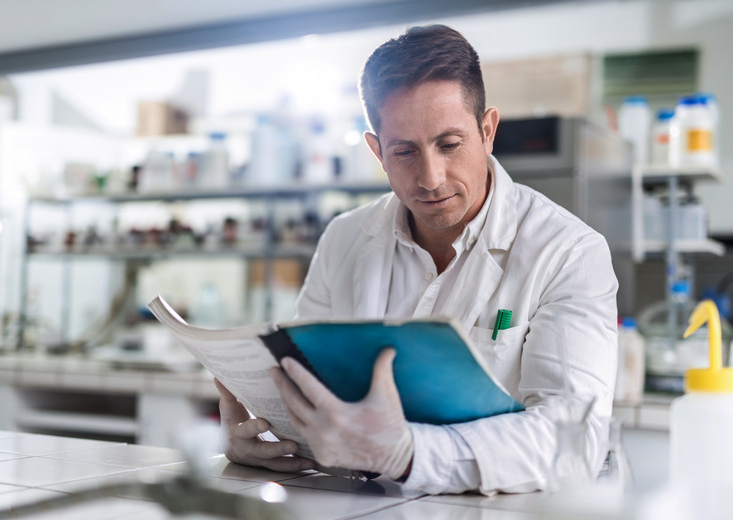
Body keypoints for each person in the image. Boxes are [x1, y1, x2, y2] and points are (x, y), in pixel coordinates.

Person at [215, 24, 618, 495]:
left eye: (449, 145)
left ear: (487, 131)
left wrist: (409, 454)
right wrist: (271, 440)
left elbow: (573, 438)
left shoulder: (568, 252)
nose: (430, 177)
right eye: (404, 151)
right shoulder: (344, 239)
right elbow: (314, 393)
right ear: (377, 152)